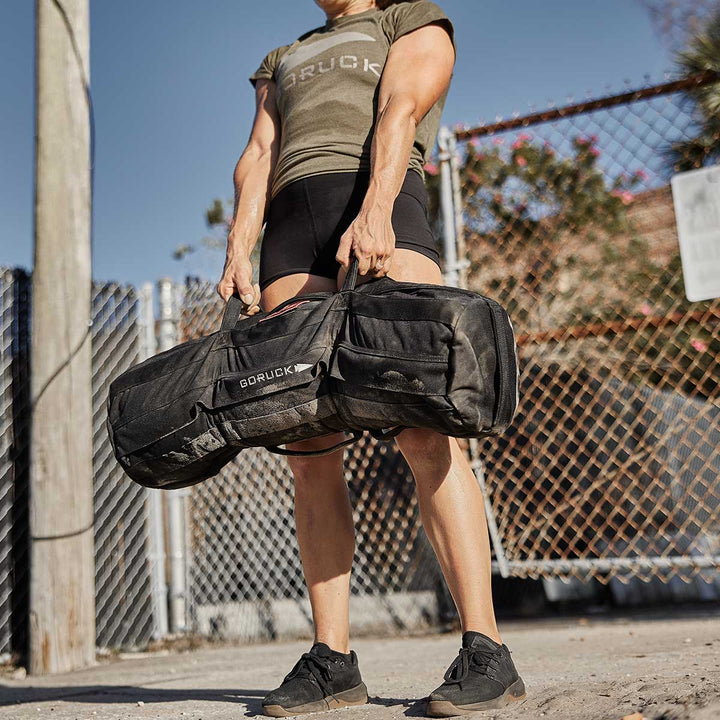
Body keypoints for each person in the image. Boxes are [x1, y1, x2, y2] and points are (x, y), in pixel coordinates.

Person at [217, 0, 525, 716]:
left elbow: (400, 110)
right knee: (309, 443)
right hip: (292, 233)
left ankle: (486, 650)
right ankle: (333, 661)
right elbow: (261, 153)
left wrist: (378, 205)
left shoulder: (410, 20)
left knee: (425, 429)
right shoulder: (282, 57)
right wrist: (239, 246)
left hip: (381, 203)